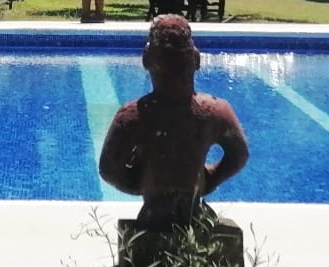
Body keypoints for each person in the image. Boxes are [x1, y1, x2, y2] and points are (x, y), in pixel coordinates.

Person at [99, 15, 249, 230]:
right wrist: (207, 181)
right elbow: (239, 155)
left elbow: (109, 170)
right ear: (196, 60)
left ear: (146, 60)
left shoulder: (133, 117)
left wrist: (144, 184)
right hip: (196, 215)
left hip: (152, 217)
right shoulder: (217, 112)